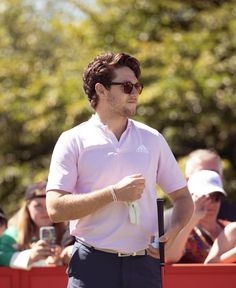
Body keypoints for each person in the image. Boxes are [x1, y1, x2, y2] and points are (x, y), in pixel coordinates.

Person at [46, 52, 193, 288]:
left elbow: (183, 198)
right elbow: (55, 208)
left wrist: (173, 232)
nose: (135, 93)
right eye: (126, 86)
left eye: (137, 86)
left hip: (145, 267)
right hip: (91, 265)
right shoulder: (73, 140)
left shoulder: (152, 138)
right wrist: (113, 193)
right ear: (101, 90)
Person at [165, 170, 231, 263]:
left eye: (216, 197)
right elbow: (169, 257)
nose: (210, 203)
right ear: (191, 198)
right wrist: (193, 218)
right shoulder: (184, 232)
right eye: (203, 197)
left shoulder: (229, 228)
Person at [0, 181, 66, 269]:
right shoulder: (13, 235)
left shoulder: (69, 232)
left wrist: (62, 257)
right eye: (38, 205)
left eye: (48, 204)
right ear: (27, 208)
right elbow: (1, 255)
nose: (45, 210)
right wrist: (30, 256)